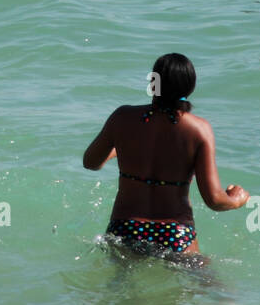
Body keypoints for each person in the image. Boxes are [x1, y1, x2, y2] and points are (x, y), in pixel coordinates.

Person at [83, 53, 249, 258]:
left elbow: (90, 162)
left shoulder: (122, 117)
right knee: (207, 285)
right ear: (190, 87)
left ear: (153, 83)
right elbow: (214, 200)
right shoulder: (199, 129)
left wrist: (124, 148)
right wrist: (237, 200)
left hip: (125, 228)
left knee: (120, 288)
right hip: (174, 233)